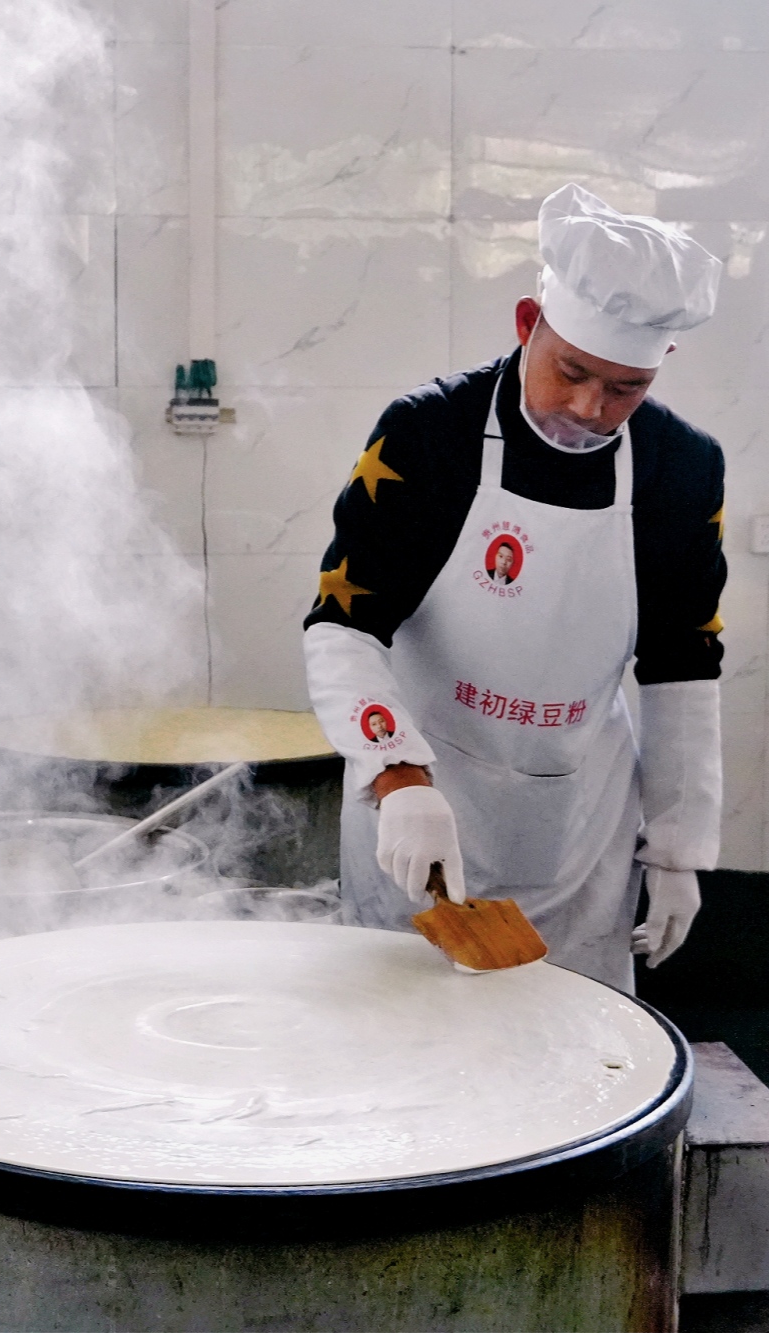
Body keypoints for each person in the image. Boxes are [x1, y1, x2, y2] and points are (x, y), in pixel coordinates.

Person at [302, 184, 726, 989]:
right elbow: (343, 627)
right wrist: (395, 773)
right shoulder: (429, 436)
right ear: (528, 324)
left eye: (624, 389)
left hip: (579, 825)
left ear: (660, 366)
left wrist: (678, 851)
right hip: (424, 800)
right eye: (570, 371)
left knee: (571, 1056)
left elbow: (682, 668)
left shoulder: (681, 468)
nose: (589, 408)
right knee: (407, 1042)